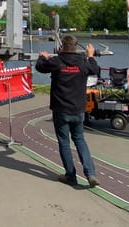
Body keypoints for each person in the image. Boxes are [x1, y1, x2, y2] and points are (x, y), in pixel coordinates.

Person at [36, 35, 99, 188]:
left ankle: (71, 176)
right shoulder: (83, 62)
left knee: (64, 142)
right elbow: (95, 69)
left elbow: (40, 67)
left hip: (61, 110)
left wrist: (42, 57)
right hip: (78, 109)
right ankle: (90, 173)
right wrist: (90, 56)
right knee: (79, 140)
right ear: (76, 47)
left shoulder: (57, 61)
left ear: (62, 47)